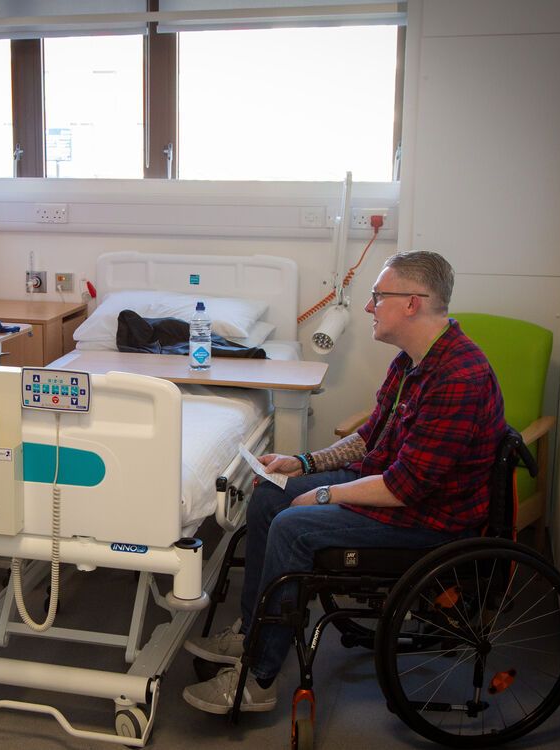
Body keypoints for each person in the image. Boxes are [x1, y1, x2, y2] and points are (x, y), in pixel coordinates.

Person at [181, 251, 507, 714]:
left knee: (294, 527)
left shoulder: (459, 376)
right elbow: (372, 436)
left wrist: (325, 493)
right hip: (396, 489)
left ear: (412, 303)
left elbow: (403, 489)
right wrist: (304, 462)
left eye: (378, 296)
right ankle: (254, 628)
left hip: (429, 521)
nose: (370, 307)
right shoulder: (413, 361)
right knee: (270, 494)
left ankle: (258, 679)